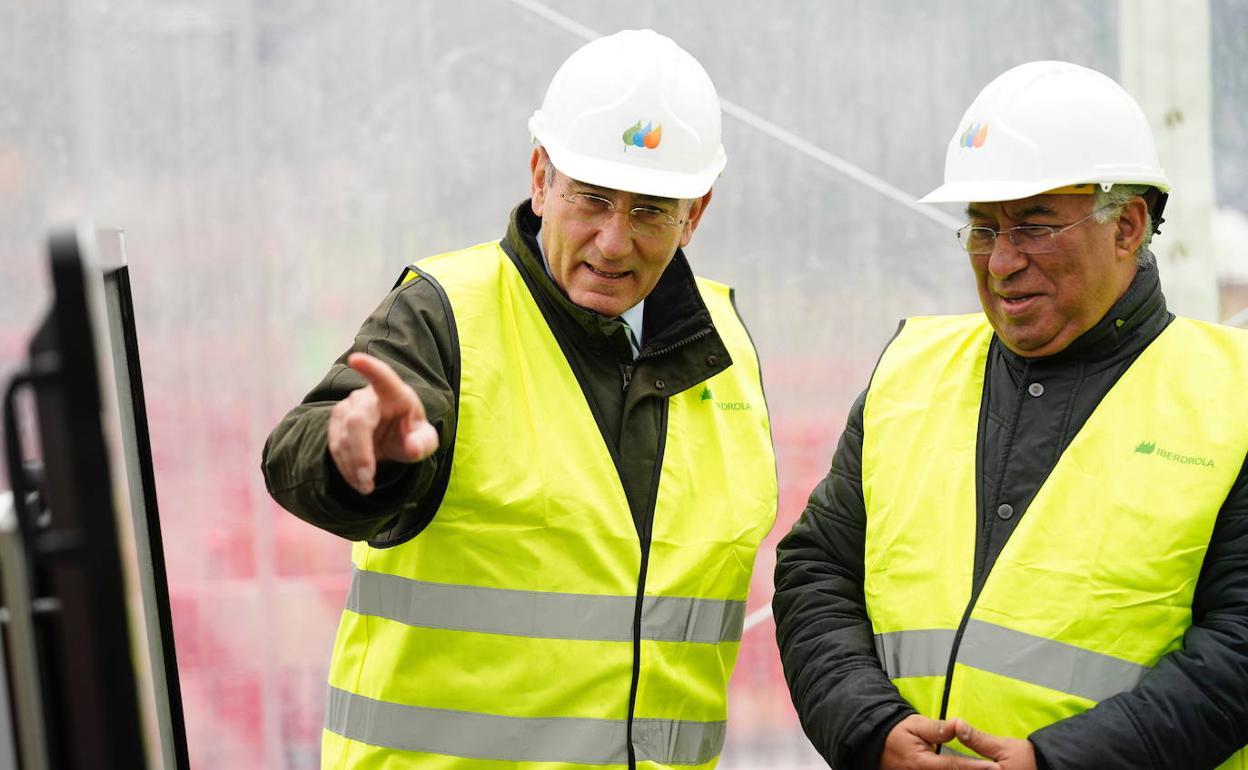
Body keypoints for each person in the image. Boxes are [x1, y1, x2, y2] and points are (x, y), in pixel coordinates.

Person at [262, 29, 777, 770]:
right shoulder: (446, 314)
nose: (612, 241)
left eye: (650, 211)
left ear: (695, 214)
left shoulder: (727, 348)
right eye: (592, 199)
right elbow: (302, 449)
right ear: (541, 178)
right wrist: (357, 458)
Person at [773, 60, 1248, 770]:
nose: (1000, 263)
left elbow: (1240, 647)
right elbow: (817, 572)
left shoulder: (1230, 398)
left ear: (1129, 225)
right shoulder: (911, 370)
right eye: (981, 228)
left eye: (1033, 226)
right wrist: (871, 730)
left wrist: (1060, 761)